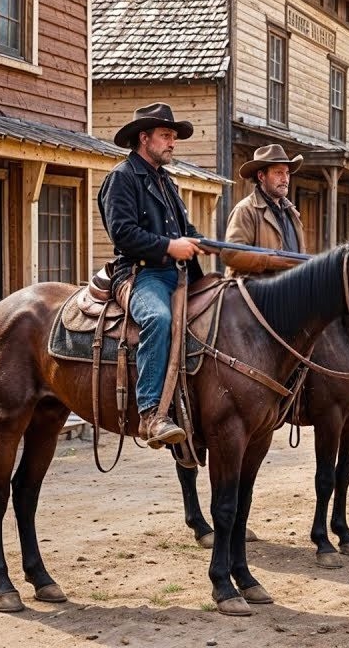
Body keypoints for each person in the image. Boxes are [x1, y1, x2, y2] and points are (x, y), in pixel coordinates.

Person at [97, 102, 208, 448]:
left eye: (174, 136)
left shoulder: (166, 181)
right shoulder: (122, 178)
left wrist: (203, 242)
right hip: (140, 275)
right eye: (166, 135)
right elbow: (123, 234)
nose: (172, 142)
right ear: (144, 138)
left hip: (178, 275)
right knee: (158, 319)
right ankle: (150, 414)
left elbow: (185, 230)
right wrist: (170, 247)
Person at [222, 144, 307, 277]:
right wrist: (272, 261)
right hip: (254, 289)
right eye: (279, 173)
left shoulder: (292, 213)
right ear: (261, 176)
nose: (285, 179)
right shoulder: (245, 210)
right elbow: (231, 255)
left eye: (287, 173)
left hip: (292, 287)